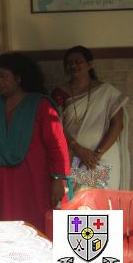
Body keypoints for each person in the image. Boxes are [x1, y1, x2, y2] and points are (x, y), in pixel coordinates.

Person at [0, 52, 70, 234]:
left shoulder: (41, 105)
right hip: (4, 178)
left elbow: (56, 144)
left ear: (19, 77)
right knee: (8, 223)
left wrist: (58, 180)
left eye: (3, 76)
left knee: (38, 223)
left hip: (35, 178)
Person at [51, 45, 130, 190]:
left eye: (78, 61)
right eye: (69, 62)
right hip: (74, 155)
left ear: (89, 64)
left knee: (101, 201)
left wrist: (96, 155)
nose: (73, 65)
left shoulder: (106, 91)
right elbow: (56, 126)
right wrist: (79, 150)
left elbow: (117, 124)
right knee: (78, 199)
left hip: (102, 157)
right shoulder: (59, 93)